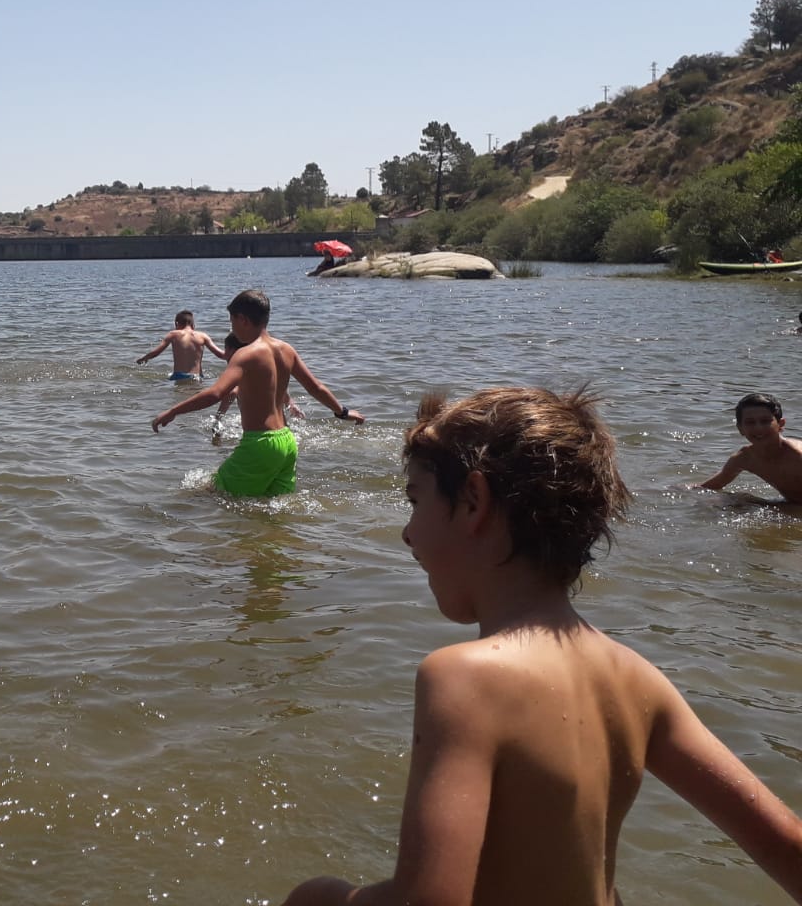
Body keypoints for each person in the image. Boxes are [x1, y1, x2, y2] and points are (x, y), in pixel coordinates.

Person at [279, 387, 802, 906]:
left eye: (416, 502)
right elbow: (785, 845)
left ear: (474, 501)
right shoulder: (638, 678)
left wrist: (326, 897)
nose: (407, 534)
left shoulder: (465, 677)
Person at [152, 290, 362, 497]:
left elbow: (216, 393)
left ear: (243, 320)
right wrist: (343, 412)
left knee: (207, 495)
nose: (232, 328)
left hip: (260, 444)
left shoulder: (245, 355)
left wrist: (173, 411)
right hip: (287, 443)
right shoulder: (286, 349)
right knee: (270, 508)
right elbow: (316, 387)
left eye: (232, 321)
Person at [696, 392, 802, 505]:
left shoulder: (797, 456)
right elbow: (710, 487)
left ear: (780, 424)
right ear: (740, 428)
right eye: (750, 422)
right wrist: (684, 493)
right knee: (732, 501)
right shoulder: (745, 458)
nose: (758, 428)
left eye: (765, 421)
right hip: (791, 504)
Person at [212, 333, 304, 445]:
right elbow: (277, 385)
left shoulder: (239, 370)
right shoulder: (261, 366)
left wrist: (218, 419)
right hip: (284, 434)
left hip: (260, 438)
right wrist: (291, 403)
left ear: (232, 351)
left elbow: (233, 391)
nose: (224, 354)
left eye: (226, 349)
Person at [136, 309, 228, 381]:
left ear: (176, 323)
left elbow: (157, 351)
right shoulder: (203, 336)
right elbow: (221, 354)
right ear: (193, 324)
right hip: (196, 377)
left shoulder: (173, 334)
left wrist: (144, 358)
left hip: (179, 376)